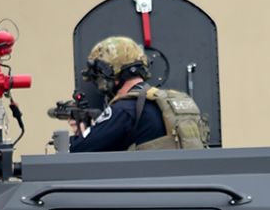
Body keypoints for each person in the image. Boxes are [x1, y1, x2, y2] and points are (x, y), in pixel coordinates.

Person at [67, 36, 208, 153]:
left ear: (109, 74)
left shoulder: (125, 110)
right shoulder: (164, 102)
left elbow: (78, 149)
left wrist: (80, 132)